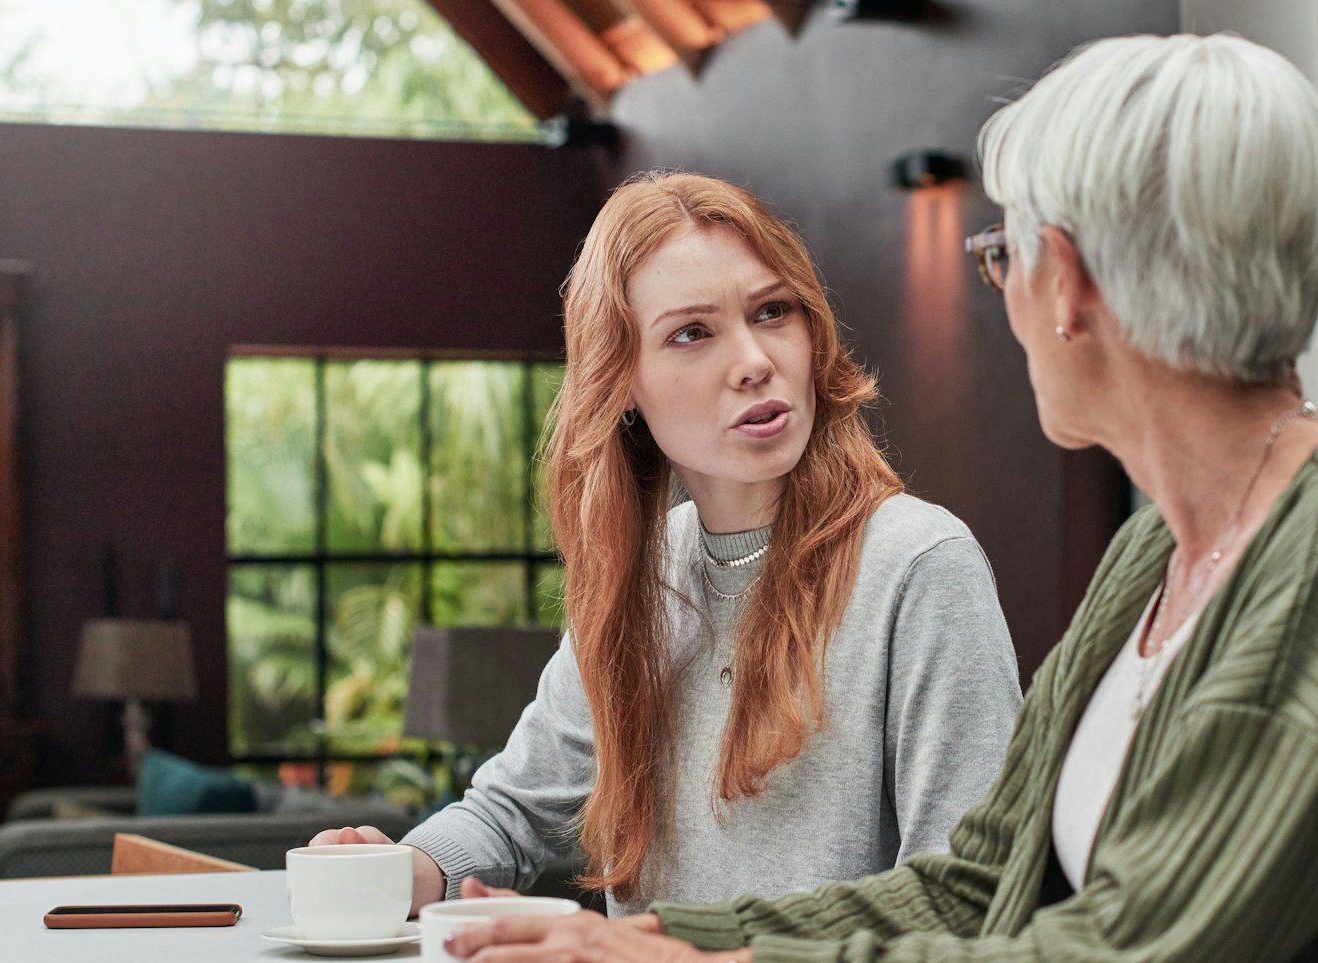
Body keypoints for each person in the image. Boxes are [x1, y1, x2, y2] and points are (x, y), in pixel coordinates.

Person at [436, 33, 1318, 963]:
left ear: (1070, 284)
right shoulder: (1160, 551)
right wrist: (654, 950)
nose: (1000, 291)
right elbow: (976, 884)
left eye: (1002, 255)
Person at [312, 172, 1021, 916]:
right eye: (692, 332)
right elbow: (513, 811)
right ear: (620, 381)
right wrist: (400, 868)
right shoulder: (647, 572)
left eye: (773, 311)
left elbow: (965, 901)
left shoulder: (920, 564)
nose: (753, 360)